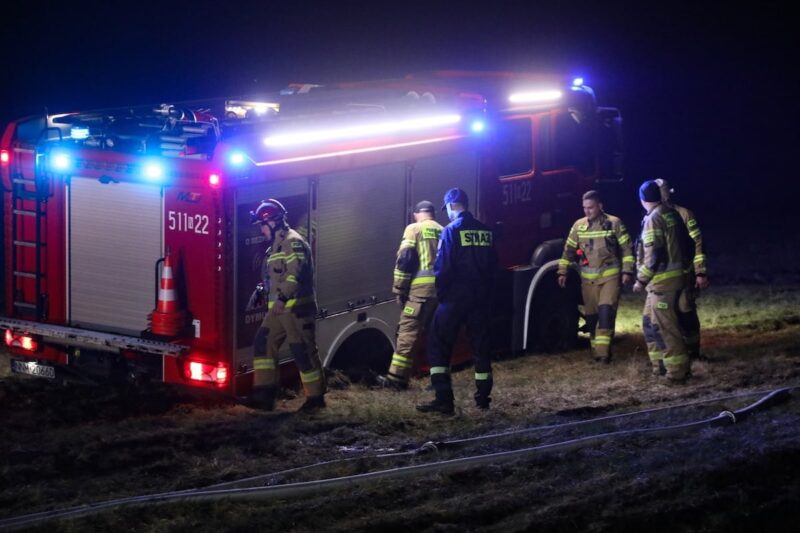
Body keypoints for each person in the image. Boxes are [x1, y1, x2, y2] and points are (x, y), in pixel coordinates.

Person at [416, 188, 498, 415]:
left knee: (438, 345)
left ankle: (444, 400)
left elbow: (443, 268)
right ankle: (483, 398)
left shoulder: (451, 231)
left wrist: (442, 296)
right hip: (480, 299)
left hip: (455, 298)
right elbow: (494, 269)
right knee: (481, 348)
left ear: (452, 205)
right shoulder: (486, 231)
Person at [248, 198, 326, 411]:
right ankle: (264, 396)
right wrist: (264, 291)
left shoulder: (293, 241)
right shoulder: (276, 245)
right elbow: (278, 275)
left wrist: (282, 298)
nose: (261, 230)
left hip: (296, 308)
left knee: (303, 351)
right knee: (263, 342)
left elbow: (295, 275)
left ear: (273, 222)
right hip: (279, 310)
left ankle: (316, 399)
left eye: (262, 225)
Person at [557, 190, 634, 363]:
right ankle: (596, 351)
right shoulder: (578, 226)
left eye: (590, 207)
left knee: (606, 313)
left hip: (610, 277)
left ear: (600, 206)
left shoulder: (614, 223)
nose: (587, 211)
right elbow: (568, 251)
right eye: (584, 208)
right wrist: (563, 271)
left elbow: (627, 249)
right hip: (588, 280)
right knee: (591, 318)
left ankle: (603, 355)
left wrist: (627, 271)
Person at [376, 200, 443, 391]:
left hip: (419, 294)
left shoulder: (414, 229)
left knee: (407, 335)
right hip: (440, 294)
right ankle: (438, 381)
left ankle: (396, 380)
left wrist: (400, 290)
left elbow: (405, 260)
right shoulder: (444, 230)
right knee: (435, 337)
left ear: (416, 214)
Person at [633, 180, 692, 382]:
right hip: (669, 280)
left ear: (642, 199)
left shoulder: (654, 219)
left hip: (661, 283)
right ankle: (658, 366)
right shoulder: (671, 213)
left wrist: (640, 280)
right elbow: (689, 245)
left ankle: (677, 373)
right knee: (650, 323)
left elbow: (653, 255)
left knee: (666, 327)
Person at [656, 179, 709, 360]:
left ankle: (693, 350)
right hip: (663, 279)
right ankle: (674, 353)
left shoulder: (684, 214)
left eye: (662, 191)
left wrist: (700, 271)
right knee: (665, 315)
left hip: (685, 273)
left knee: (686, 310)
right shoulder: (653, 216)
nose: (661, 195)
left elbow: (697, 243)